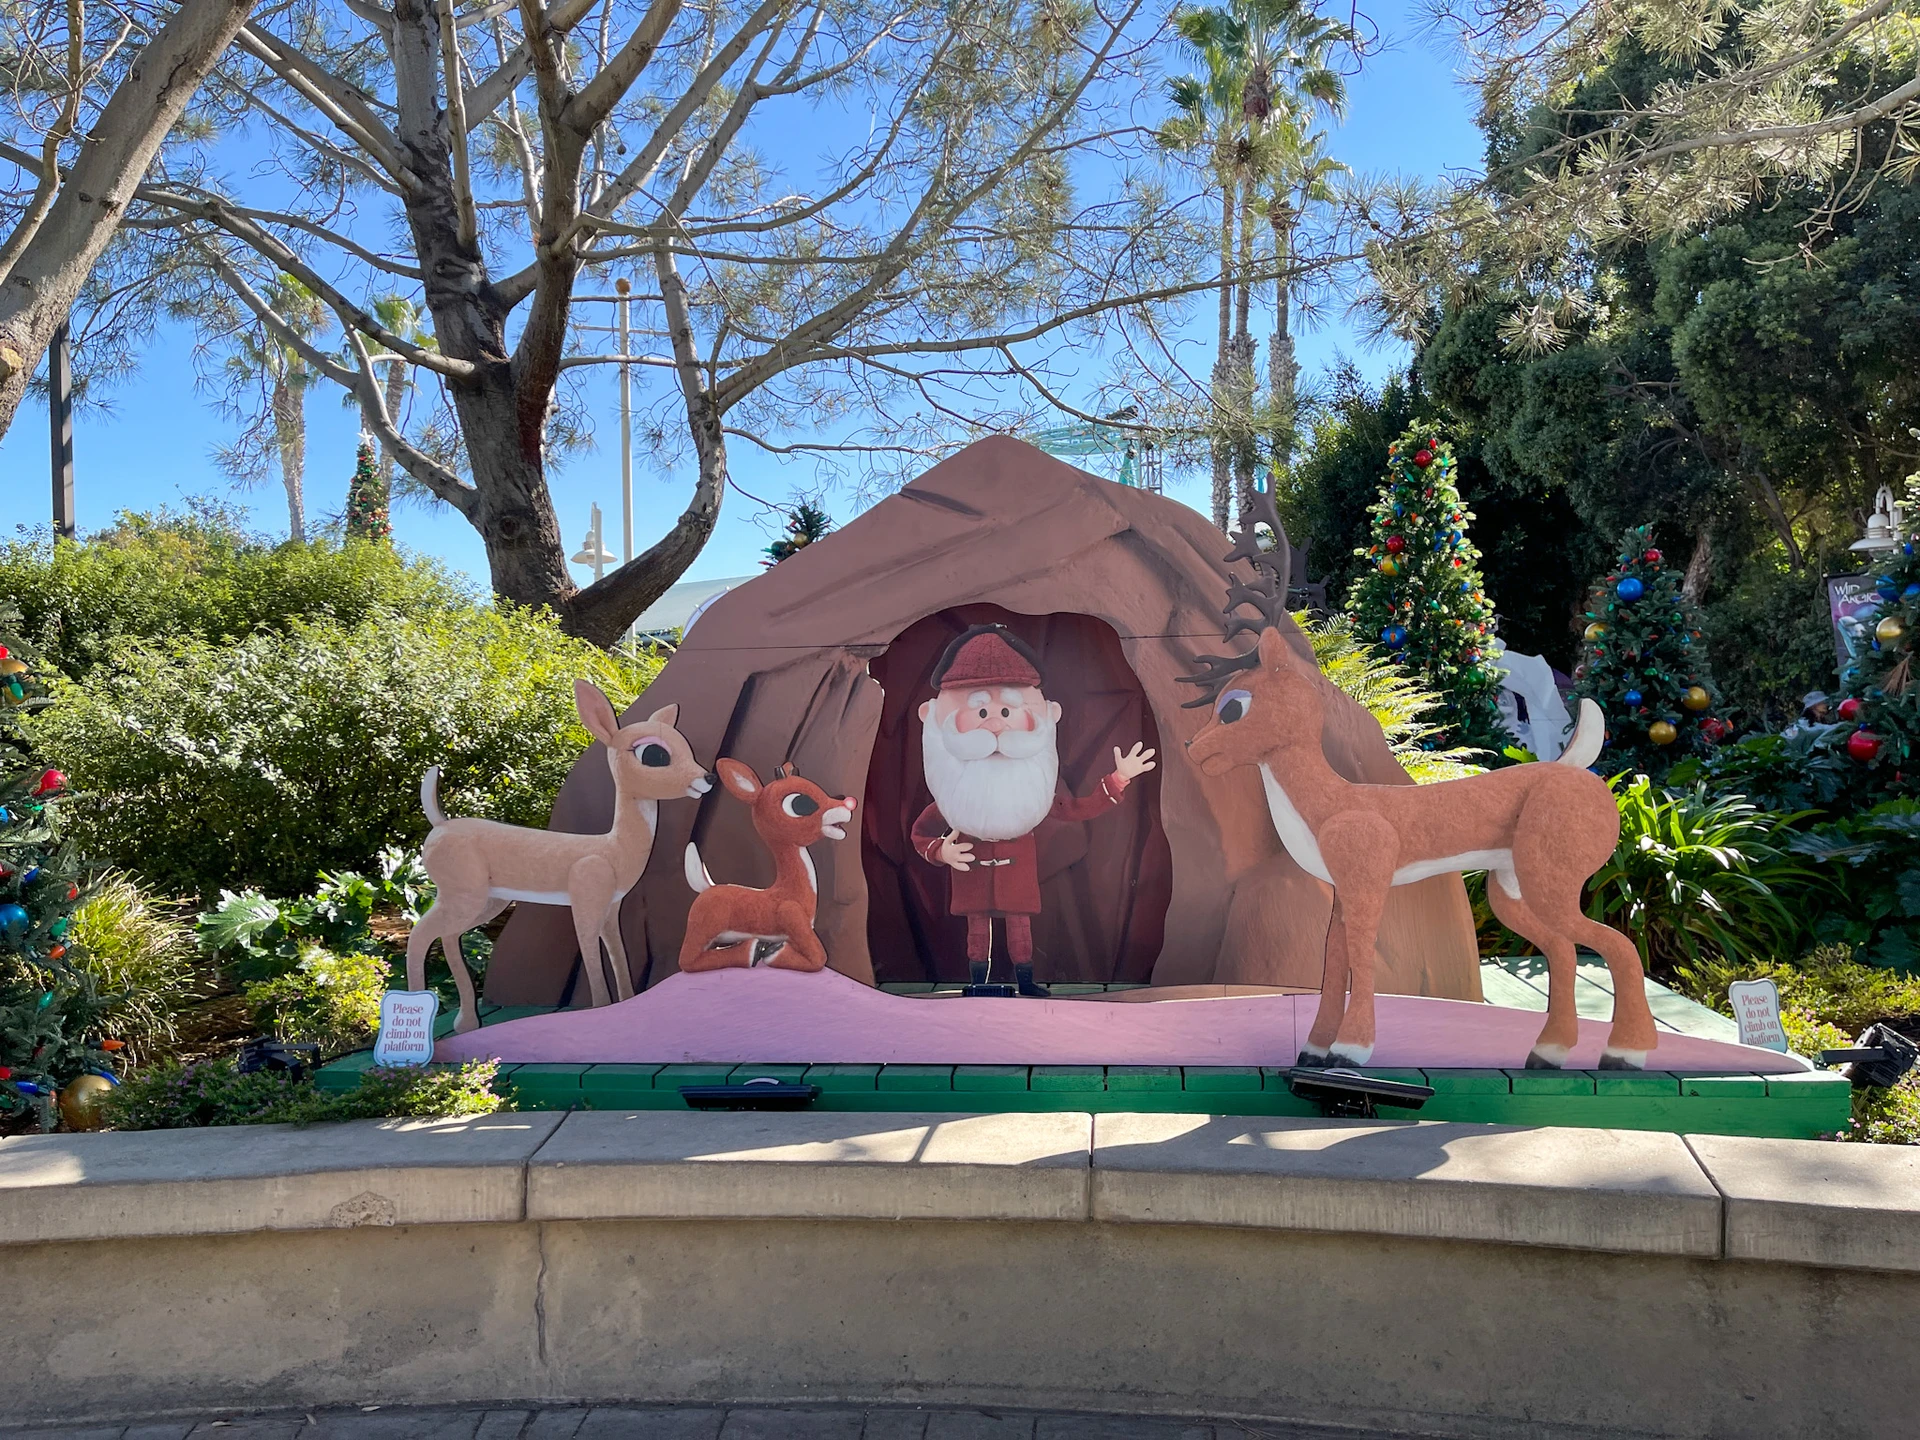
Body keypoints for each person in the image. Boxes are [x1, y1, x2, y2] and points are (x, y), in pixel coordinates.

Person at [910, 624, 1155, 996]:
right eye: (978, 710)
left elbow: (1076, 808)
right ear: (930, 716)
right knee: (976, 929)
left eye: (1008, 709)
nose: (994, 724)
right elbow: (921, 834)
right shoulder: (952, 797)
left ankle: (1025, 981)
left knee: (1020, 926)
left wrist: (1118, 779)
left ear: (1049, 715)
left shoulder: (1037, 793)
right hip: (971, 870)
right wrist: (941, 850)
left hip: (1017, 872)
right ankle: (978, 982)